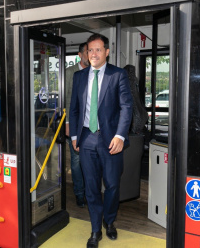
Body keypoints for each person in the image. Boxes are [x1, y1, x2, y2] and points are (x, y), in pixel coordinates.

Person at [69, 34, 133, 248]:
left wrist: (120, 135)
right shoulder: (79, 76)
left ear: (106, 51)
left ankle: (109, 220)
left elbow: (127, 107)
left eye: (98, 49)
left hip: (111, 140)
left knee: (113, 185)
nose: (93, 53)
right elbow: (75, 109)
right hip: (86, 138)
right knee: (91, 187)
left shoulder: (118, 74)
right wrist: (75, 136)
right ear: (86, 53)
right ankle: (96, 229)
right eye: (90, 50)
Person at [65, 42, 90, 208]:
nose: (92, 55)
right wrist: (67, 123)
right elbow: (67, 98)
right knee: (76, 162)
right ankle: (80, 194)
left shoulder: (95, 72)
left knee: (90, 161)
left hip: (91, 127)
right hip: (74, 124)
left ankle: (90, 193)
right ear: (80, 55)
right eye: (88, 52)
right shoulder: (70, 73)